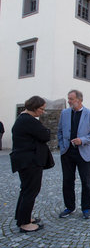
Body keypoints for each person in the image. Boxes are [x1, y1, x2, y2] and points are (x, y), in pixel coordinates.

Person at [10, 96, 50, 233]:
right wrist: (46, 131)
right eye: (41, 109)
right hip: (30, 161)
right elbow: (45, 135)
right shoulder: (28, 120)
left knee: (25, 189)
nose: (42, 112)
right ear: (34, 107)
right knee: (30, 191)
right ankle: (25, 223)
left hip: (25, 160)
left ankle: (22, 217)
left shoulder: (22, 119)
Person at [57, 90, 90, 219]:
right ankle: (69, 207)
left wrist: (82, 140)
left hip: (83, 152)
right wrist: (62, 145)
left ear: (79, 100)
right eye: (68, 98)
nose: (68, 101)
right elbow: (59, 131)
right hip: (67, 153)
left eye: (71, 99)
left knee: (86, 182)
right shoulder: (64, 113)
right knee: (67, 181)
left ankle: (86, 208)